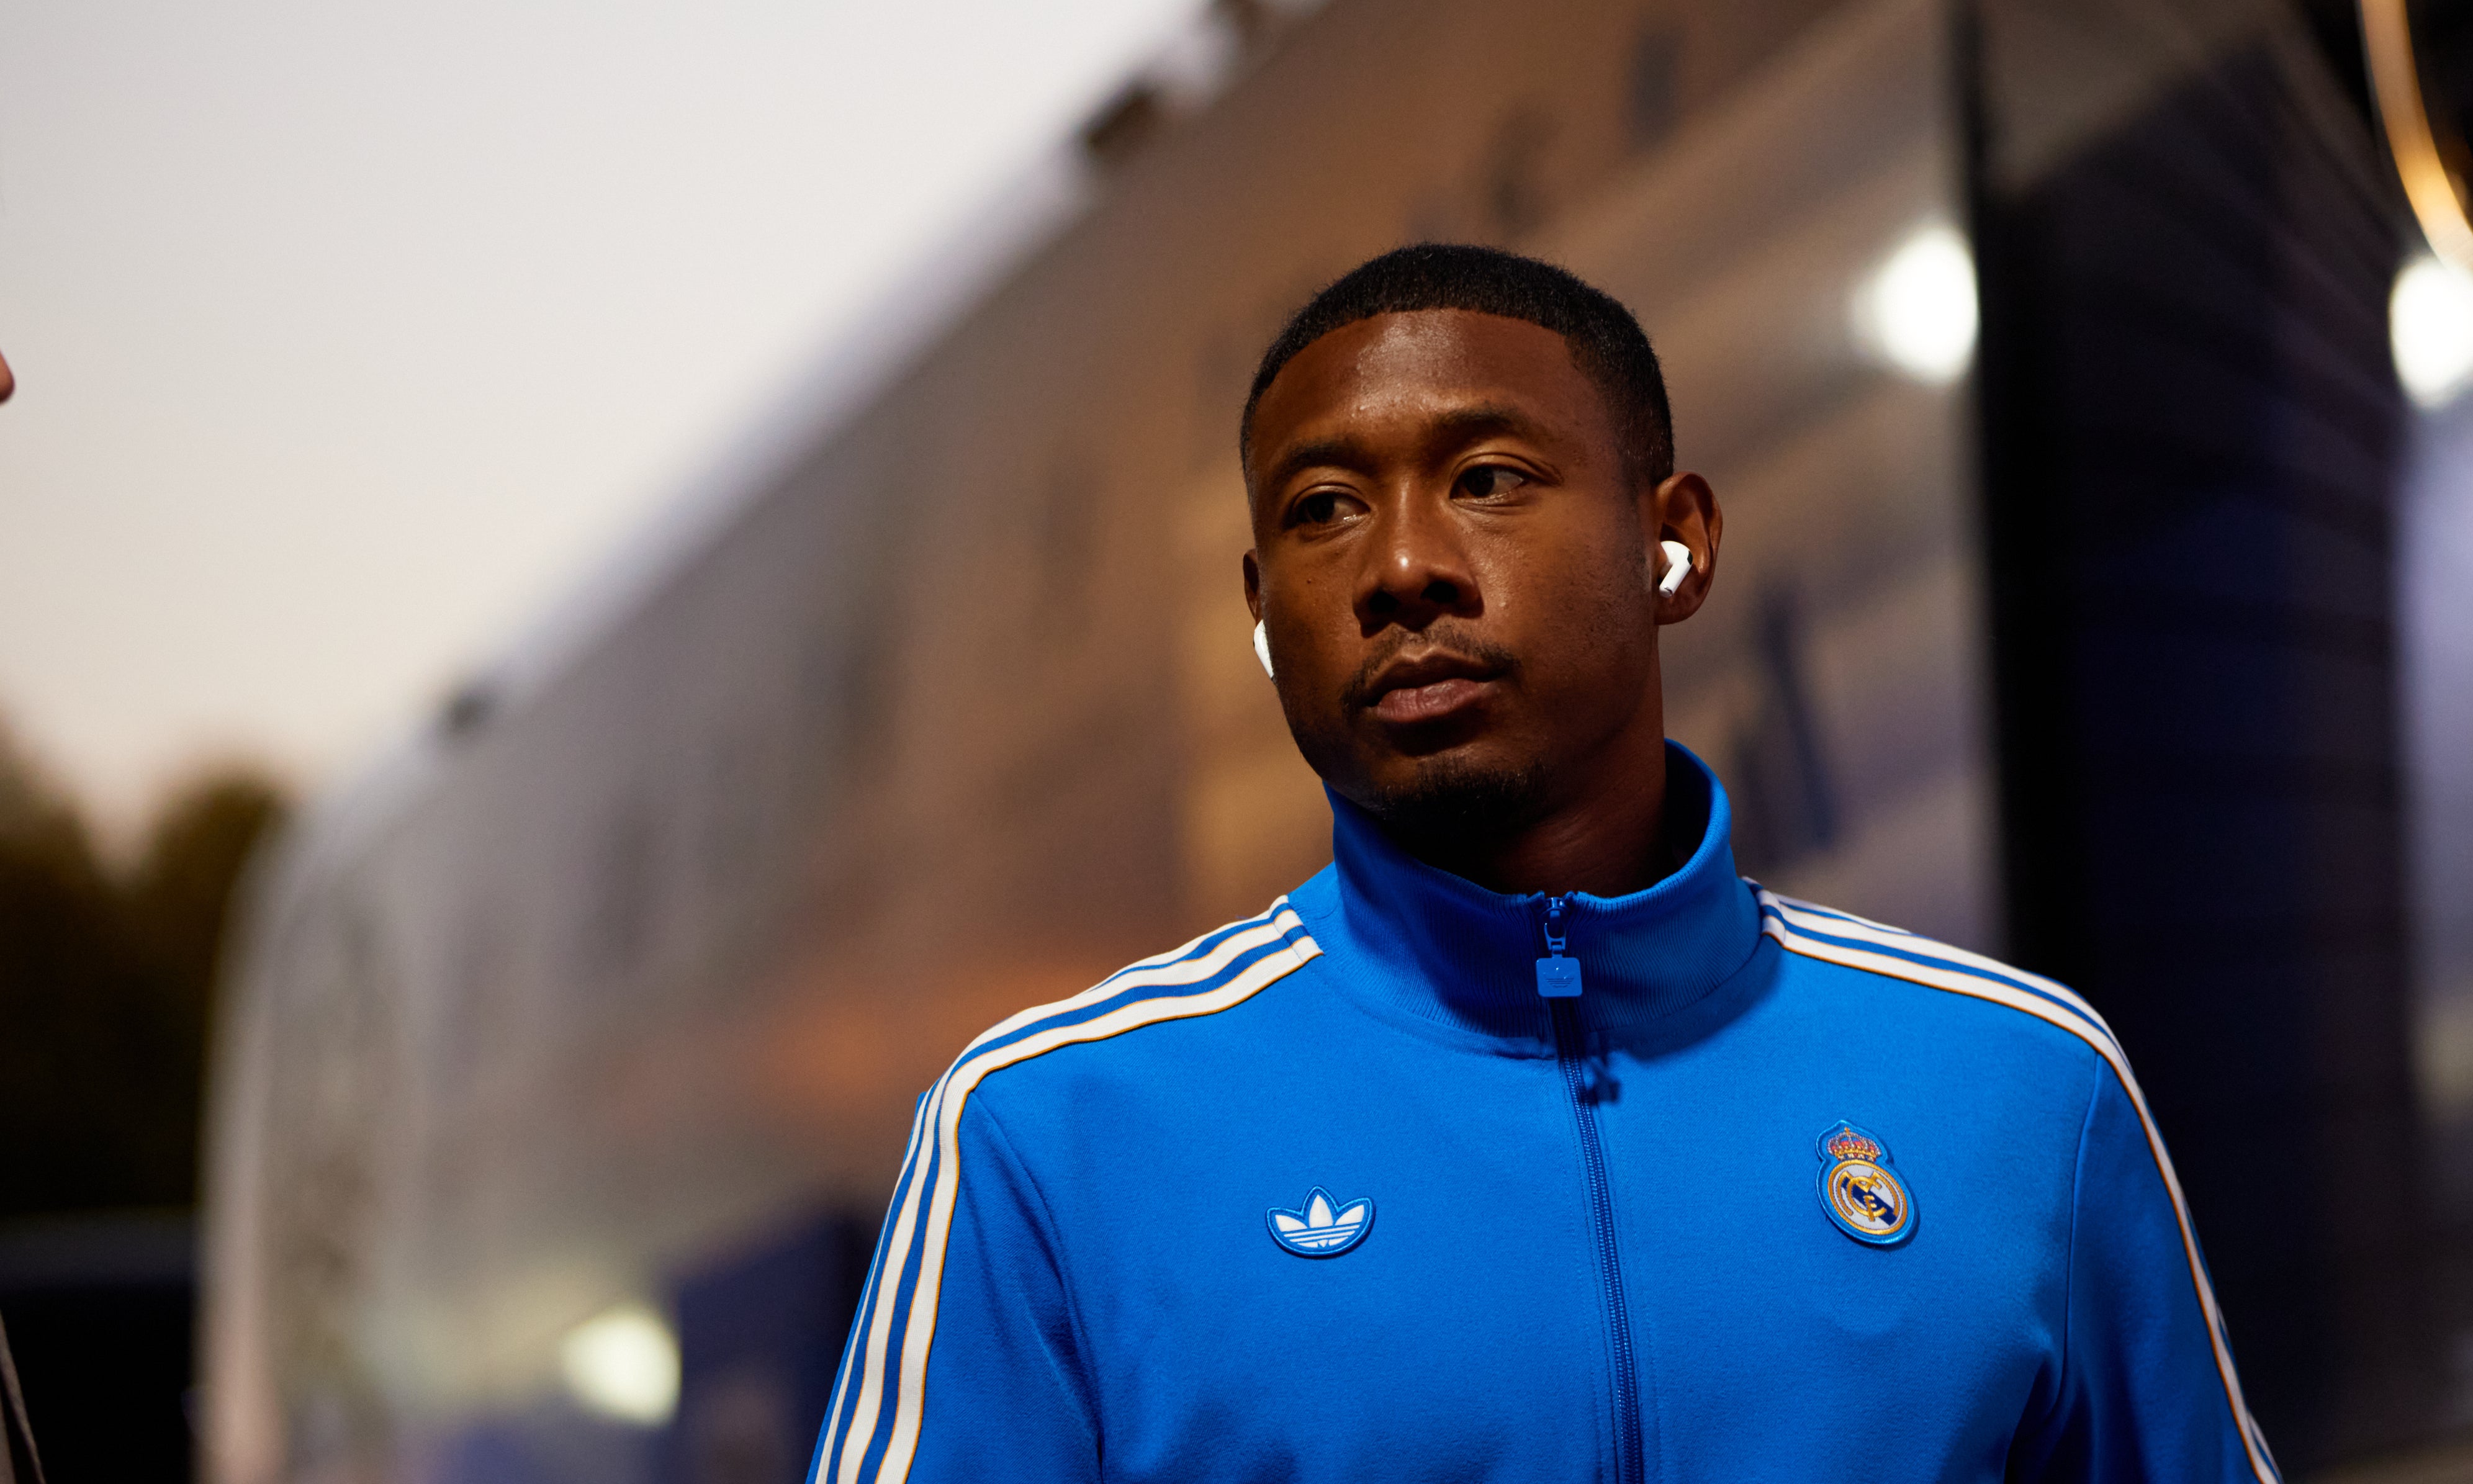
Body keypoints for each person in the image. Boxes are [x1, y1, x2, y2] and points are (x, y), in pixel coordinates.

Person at [809, 245, 2273, 1484]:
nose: (1400, 569)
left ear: (1673, 543)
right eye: (1322, 511)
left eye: (1487, 478)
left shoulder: (2021, 1084)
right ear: (1262, 617)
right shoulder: (1051, 1134)